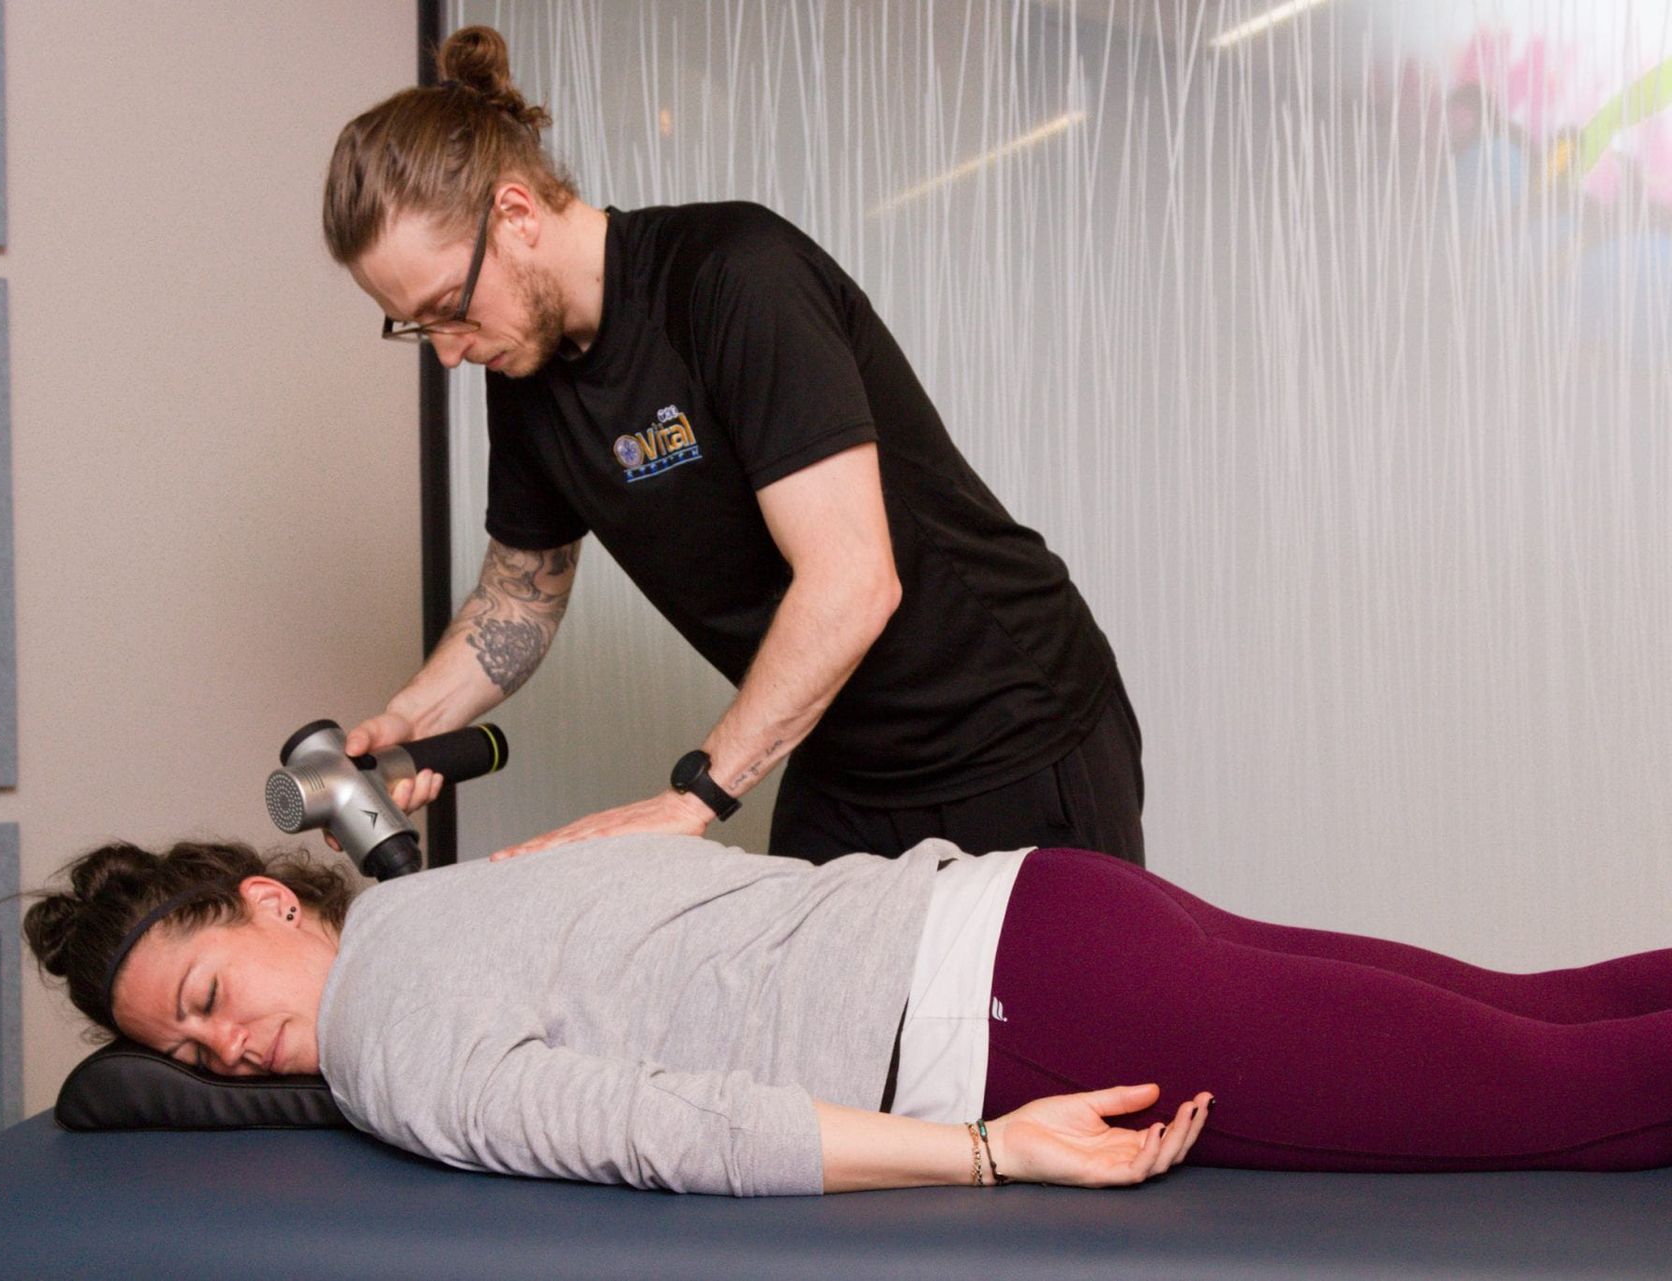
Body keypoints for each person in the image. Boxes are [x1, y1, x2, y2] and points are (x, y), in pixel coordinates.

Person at [321, 25, 1144, 865]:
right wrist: (412, 721)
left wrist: (693, 798)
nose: (451, 351)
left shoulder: (732, 279)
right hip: (841, 758)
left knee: (1050, 1000)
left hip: (1016, 732)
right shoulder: (523, 370)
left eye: (448, 308)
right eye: (417, 328)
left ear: (517, 214)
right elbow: (519, 599)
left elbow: (854, 580)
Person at [24, 834, 1672, 1196]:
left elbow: (662, 1127)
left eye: (213, 998)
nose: (226, 1050)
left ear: (268, 905)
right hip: (1050, 903)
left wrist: (986, 1147)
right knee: (1541, 1017)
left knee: (1554, 1096)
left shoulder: (393, 1045)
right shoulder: (432, 896)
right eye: (188, 1049)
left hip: (1021, 1006)